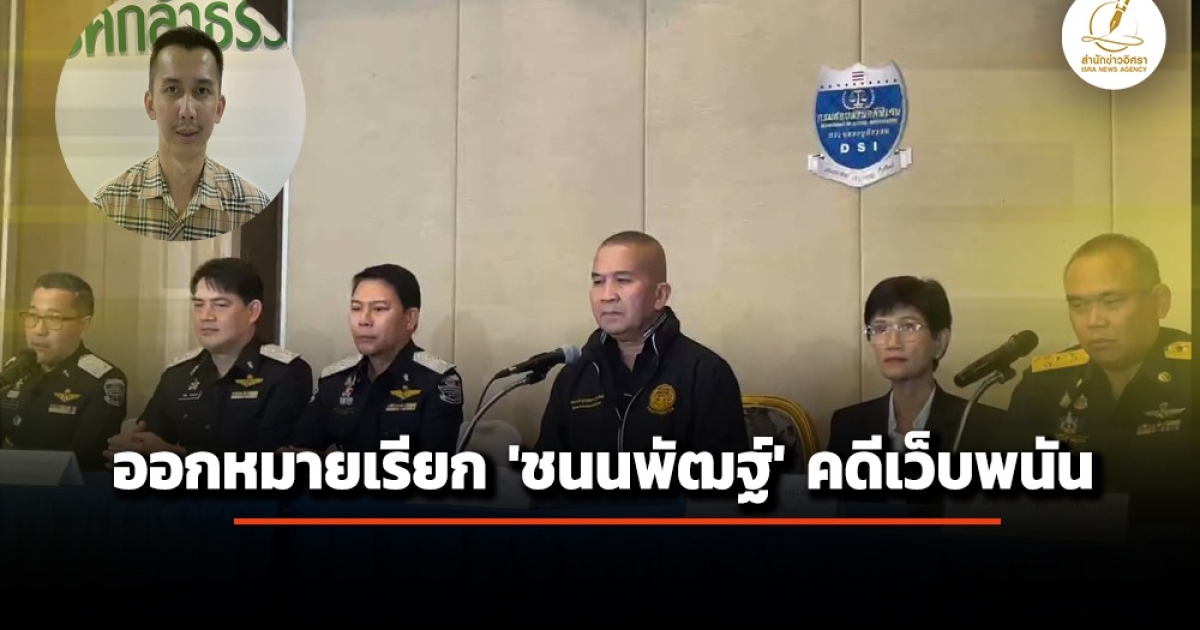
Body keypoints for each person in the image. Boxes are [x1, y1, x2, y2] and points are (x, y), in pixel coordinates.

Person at [1005, 233, 1191, 525]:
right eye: (1078, 306)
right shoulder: (1043, 385)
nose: (1094, 321)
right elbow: (1005, 494)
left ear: (1160, 302)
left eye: (1112, 302)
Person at [535, 230, 749, 457]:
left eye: (623, 280)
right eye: (598, 281)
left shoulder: (705, 373)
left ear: (660, 295)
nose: (607, 295)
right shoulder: (574, 376)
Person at [103, 258, 312, 460]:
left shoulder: (285, 373)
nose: (206, 316)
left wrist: (178, 455)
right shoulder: (178, 374)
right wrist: (131, 448)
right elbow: (148, 438)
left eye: (220, 305)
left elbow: (271, 459)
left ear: (252, 311)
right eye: (199, 305)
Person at [826, 276, 1005, 508]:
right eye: (880, 328)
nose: (892, 342)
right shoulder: (848, 424)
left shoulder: (983, 425)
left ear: (940, 341)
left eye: (908, 326)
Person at [91, 26, 271, 241]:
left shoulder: (253, 208)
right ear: (150, 105)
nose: (187, 111)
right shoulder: (109, 204)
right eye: (172, 90)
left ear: (219, 108)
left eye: (201, 91)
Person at [284, 264, 464, 454]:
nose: (364, 320)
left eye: (378, 309)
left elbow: (433, 465)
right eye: (356, 308)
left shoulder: (436, 381)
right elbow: (297, 450)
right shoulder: (335, 380)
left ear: (410, 319)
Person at [0, 273, 127, 471]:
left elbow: (85, 459)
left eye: (53, 319)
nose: (38, 330)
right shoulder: (16, 369)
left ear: (83, 326)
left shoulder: (103, 381)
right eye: (32, 316)